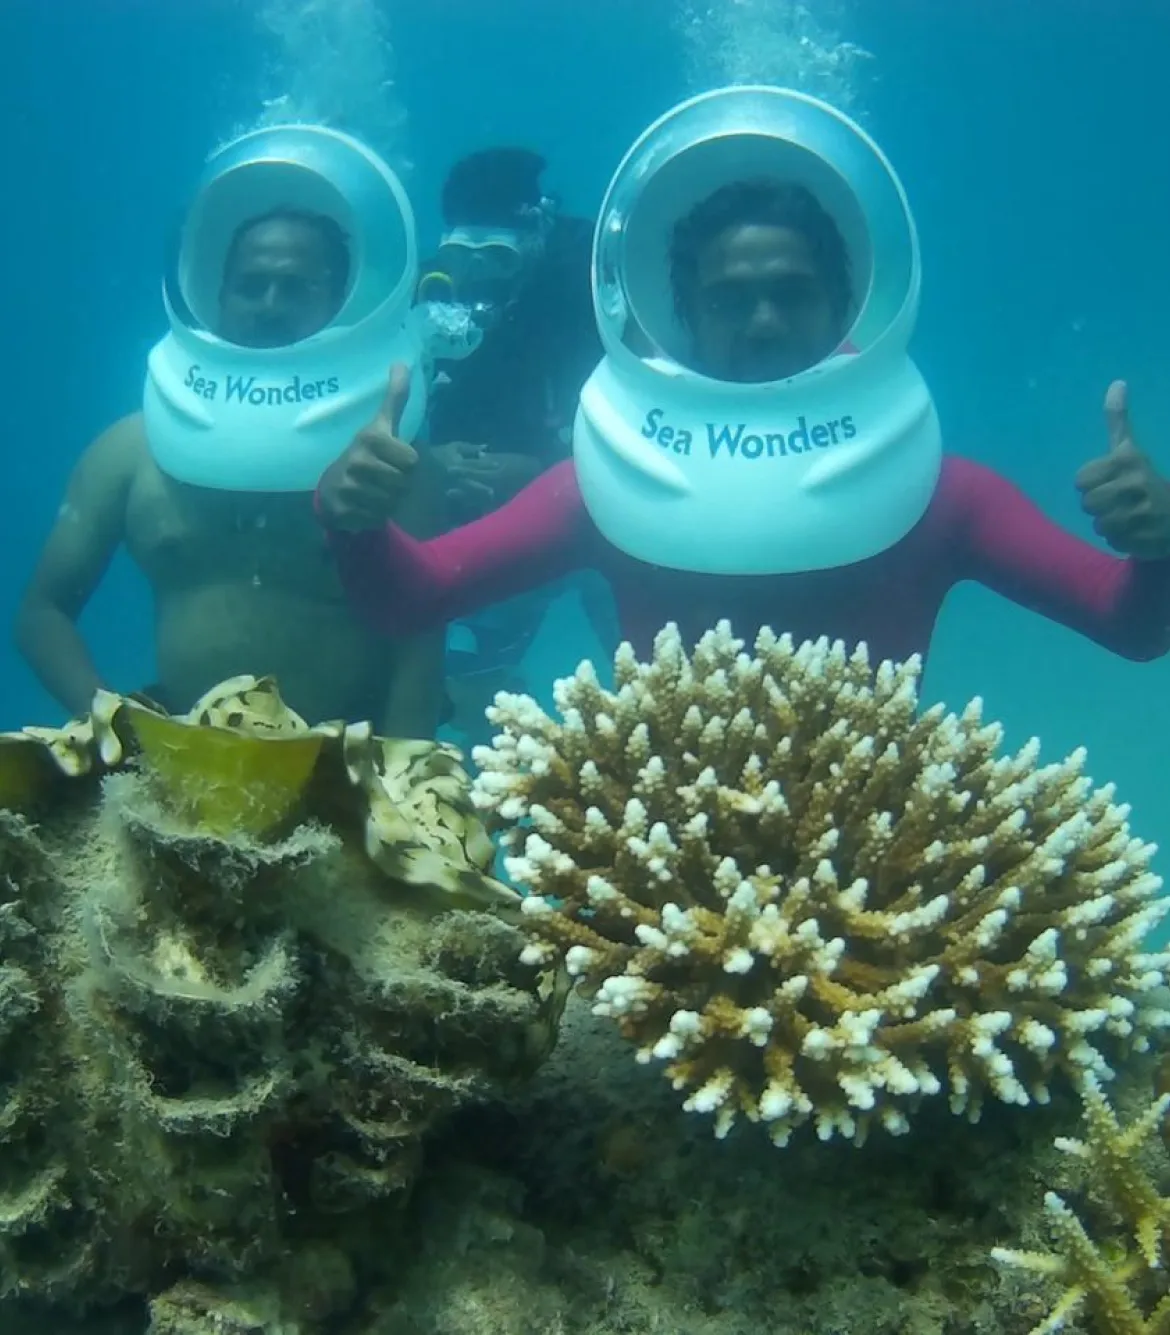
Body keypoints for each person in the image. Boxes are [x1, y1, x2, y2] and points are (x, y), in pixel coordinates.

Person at [314, 177, 1170, 676]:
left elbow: (1130, 626)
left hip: (873, 877)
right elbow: (410, 599)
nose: (762, 321)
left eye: (792, 292)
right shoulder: (609, 481)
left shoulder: (942, 493)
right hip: (660, 889)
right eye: (729, 298)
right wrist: (352, 519)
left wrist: (1160, 544)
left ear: (848, 305)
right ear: (681, 316)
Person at [14, 207, 446, 732]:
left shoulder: (384, 461)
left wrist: (397, 787)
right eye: (250, 285)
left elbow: (420, 645)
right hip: (174, 760)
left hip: (346, 761)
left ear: (339, 303)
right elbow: (42, 613)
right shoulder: (130, 450)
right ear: (215, 298)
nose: (269, 305)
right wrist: (112, 726)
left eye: (296, 287)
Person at [416, 147, 617, 743]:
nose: (476, 276)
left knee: (645, 638)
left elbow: (652, 425)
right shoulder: (430, 296)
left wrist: (543, 473)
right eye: (461, 255)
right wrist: (430, 468)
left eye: (497, 256)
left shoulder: (597, 291)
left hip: (596, 503)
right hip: (481, 507)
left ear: (536, 234)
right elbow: (389, 417)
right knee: (468, 682)